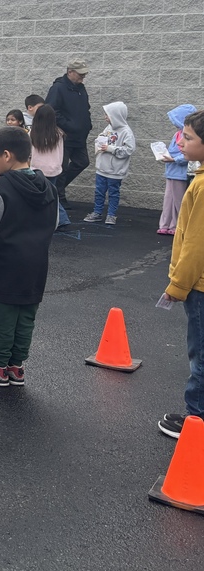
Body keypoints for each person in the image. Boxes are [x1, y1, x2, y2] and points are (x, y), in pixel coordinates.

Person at [0, 127, 57, 387]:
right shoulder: (50, 188)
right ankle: (16, 367)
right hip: (36, 268)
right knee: (25, 318)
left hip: (3, 268)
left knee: (1, 318)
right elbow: (54, 224)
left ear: (7, 155)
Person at [159, 109, 204, 438]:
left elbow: (196, 246)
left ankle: (196, 417)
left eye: (187, 138)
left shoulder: (202, 188)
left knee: (199, 352)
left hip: (199, 287)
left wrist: (177, 285)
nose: (180, 141)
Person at [46, 58, 92, 208]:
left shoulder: (81, 88)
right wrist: (69, 125)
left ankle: (56, 190)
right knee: (62, 167)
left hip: (79, 136)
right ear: (70, 72)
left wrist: (87, 125)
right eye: (80, 74)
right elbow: (51, 110)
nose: (82, 78)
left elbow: (85, 108)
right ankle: (59, 197)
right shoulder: (58, 88)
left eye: (84, 75)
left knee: (82, 162)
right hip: (64, 135)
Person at [83, 102, 135, 226]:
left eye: (108, 115)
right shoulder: (108, 128)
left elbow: (129, 149)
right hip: (102, 168)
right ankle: (97, 212)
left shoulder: (126, 132)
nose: (105, 117)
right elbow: (101, 139)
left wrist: (111, 149)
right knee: (99, 192)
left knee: (113, 193)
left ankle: (111, 215)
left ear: (116, 115)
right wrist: (99, 142)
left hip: (115, 170)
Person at [29, 104, 70, 228]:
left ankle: (61, 220)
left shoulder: (33, 133)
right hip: (53, 170)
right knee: (51, 195)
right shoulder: (58, 134)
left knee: (39, 196)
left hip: (36, 169)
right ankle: (59, 220)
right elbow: (61, 152)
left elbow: (29, 152)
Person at [158, 105, 197, 235]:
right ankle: (165, 224)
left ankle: (177, 225)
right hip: (171, 171)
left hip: (179, 172)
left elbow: (188, 154)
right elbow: (175, 151)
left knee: (179, 201)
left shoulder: (186, 136)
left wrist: (173, 159)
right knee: (168, 199)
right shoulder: (177, 134)